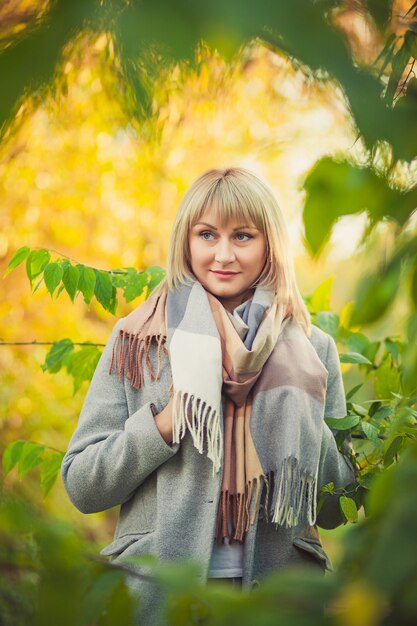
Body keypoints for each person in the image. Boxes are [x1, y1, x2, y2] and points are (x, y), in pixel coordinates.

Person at [61, 167, 355, 625]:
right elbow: (81, 484)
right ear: (187, 241)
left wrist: (299, 408)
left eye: (242, 236)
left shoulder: (314, 352)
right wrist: (166, 422)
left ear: (269, 244)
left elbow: (336, 507)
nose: (223, 254)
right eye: (207, 234)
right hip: (158, 598)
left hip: (280, 603)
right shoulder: (139, 341)